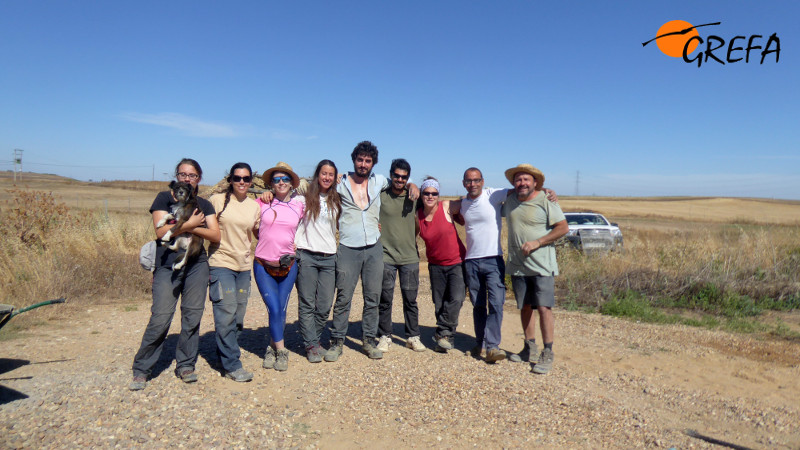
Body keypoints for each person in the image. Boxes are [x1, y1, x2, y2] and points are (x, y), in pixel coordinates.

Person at [130, 158, 220, 391]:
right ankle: (142, 368)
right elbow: (161, 232)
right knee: (160, 316)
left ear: (198, 178)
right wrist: (190, 223)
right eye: (182, 174)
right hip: (167, 265)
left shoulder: (204, 204)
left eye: (191, 175)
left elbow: (215, 235)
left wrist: (185, 226)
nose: (186, 179)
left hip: (197, 264)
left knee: (192, 316)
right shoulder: (164, 198)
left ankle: (186, 365)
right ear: (177, 177)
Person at [451, 167, 557, 364]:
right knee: (478, 305)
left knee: (496, 304)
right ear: (464, 183)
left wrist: (546, 190)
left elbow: (523, 190)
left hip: (493, 259)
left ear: (482, 181)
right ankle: (480, 343)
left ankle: (492, 346)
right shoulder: (462, 203)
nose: (472, 184)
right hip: (471, 261)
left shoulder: (494, 194)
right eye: (468, 181)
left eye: (476, 180)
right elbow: (445, 208)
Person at [324, 141, 418, 362]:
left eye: (368, 160)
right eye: (360, 159)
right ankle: (337, 341)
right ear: (354, 160)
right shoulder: (341, 183)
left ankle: (368, 340)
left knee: (373, 297)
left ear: (373, 163)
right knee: (344, 297)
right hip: (348, 247)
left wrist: (413, 185)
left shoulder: (380, 182)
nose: (363, 164)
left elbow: (401, 180)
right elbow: (315, 186)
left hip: (374, 248)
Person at [502, 164, 568, 374]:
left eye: (526, 180)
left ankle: (547, 352)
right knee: (525, 307)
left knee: (544, 307)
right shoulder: (510, 200)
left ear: (536, 182)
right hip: (518, 265)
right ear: (513, 183)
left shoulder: (546, 200)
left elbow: (563, 228)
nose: (522, 183)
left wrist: (538, 242)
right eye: (518, 180)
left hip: (541, 265)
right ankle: (529, 348)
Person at [207, 162, 260, 382]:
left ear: (251, 181)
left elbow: (259, 232)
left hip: (243, 266)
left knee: (238, 317)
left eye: (246, 179)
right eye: (237, 178)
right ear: (230, 180)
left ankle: (223, 354)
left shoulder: (254, 205)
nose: (241, 182)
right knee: (225, 313)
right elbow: (204, 227)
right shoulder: (217, 201)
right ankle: (232, 364)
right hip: (221, 263)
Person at [253, 162, 304, 371]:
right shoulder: (260, 203)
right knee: (273, 308)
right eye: (276, 179)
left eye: (285, 179)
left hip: (288, 265)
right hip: (263, 264)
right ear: (270, 183)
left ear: (292, 183)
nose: (281, 182)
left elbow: (316, 220)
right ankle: (281, 351)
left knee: (281, 309)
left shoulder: (300, 204)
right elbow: (245, 223)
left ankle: (272, 347)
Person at [295, 160, 341, 363]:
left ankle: (314, 339)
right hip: (307, 255)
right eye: (324, 173)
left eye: (331, 174)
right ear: (317, 174)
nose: (327, 177)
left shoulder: (336, 199)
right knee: (307, 303)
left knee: (323, 304)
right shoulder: (304, 198)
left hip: (329, 256)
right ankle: (311, 345)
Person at [376, 158, 425, 353]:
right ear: (391, 175)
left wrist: (415, 185)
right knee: (385, 298)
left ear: (407, 178)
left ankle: (413, 336)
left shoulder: (413, 195)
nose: (400, 179)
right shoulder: (380, 195)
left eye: (404, 177)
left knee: (410, 299)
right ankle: (385, 336)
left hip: (410, 257)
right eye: (396, 175)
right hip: (385, 255)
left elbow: (432, 200)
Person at [416, 177, 467, 353]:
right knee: (439, 302)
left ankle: (443, 332)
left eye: (434, 193)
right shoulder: (418, 216)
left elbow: (468, 201)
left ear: (438, 195)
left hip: (457, 262)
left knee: (456, 298)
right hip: (435, 265)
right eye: (426, 193)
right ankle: (446, 338)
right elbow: (410, 236)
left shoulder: (446, 206)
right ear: (421, 195)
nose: (430, 196)